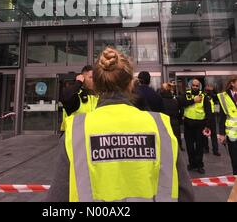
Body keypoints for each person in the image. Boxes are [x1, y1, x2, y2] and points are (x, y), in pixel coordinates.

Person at [47, 48, 194, 202]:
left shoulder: (76, 132)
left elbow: (57, 196)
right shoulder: (160, 127)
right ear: (131, 83)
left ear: (96, 84)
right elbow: (185, 194)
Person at [181, 79, 212, 174]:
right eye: (193, 85)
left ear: (199, 87)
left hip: (200, 126)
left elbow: (208, 112)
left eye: (196, 86)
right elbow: (181, 103)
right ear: (191, 85)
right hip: (188, 126)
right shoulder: (186, 94)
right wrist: (193, 101)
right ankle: (192, 164)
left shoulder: (204, 96)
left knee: (199, 147)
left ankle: (199, 165)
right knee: (190, 147)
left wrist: (207, 125)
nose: (194, 87)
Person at [60, 65, 98, 132]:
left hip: (92, 137)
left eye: (95, 78)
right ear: (82, 78)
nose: (94, 80)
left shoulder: (98, 97)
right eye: (91, 77)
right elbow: (65, 98)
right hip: (74, 138)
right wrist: (78, 82)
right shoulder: (77, 96)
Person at [218, 76, 237, 175]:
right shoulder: (224, 97)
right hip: (232, 135)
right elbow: (222, 116)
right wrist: (221, 134)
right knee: (235, 159)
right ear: (232, 84)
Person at [160, 82, 184, 151]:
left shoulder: (160, 100)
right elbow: (181, 110)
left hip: (164, 121)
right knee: (176, 138)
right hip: (175, 121)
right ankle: (179, 148)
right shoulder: (175, 100)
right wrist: (179, 120)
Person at [203, 83, 220, 156]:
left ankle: (215, 150)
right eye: (207, 87)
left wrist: (213, 90)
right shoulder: (203, 95)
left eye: (210, 86)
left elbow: (217, 99)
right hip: (205, 116)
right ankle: (206, 148)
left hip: (213, 116)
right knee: (205, 133)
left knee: (213, 134)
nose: (208, 88)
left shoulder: (214, 95)